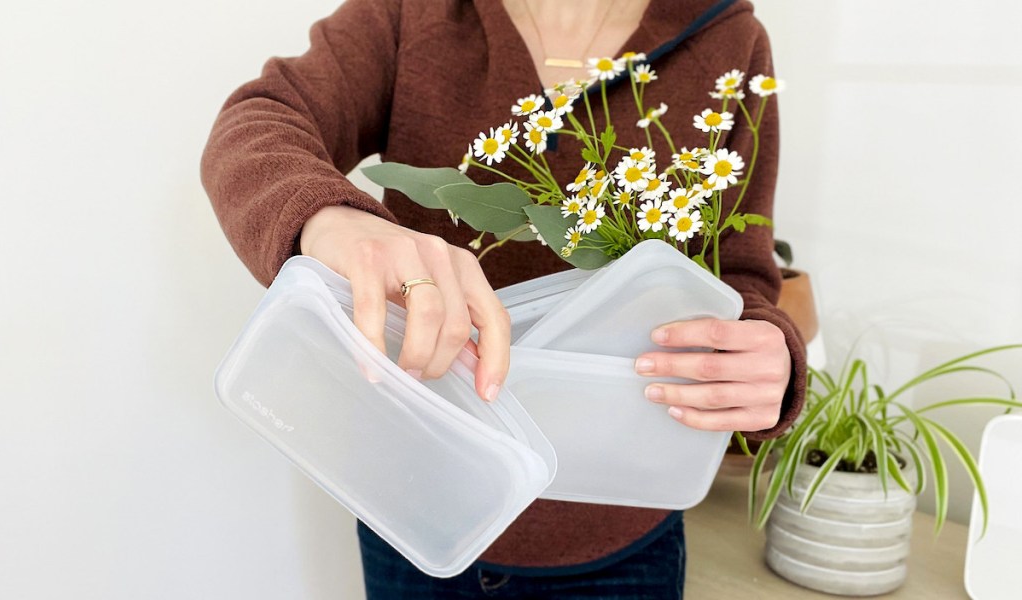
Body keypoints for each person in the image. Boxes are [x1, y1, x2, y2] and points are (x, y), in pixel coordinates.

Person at [201, 0, 807, 597]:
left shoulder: (729, 39)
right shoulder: (410, 15)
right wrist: (334, 221)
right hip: (419, 507)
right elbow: (259, 121)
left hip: (620, 533)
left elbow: (741, 272)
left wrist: (761, 352)